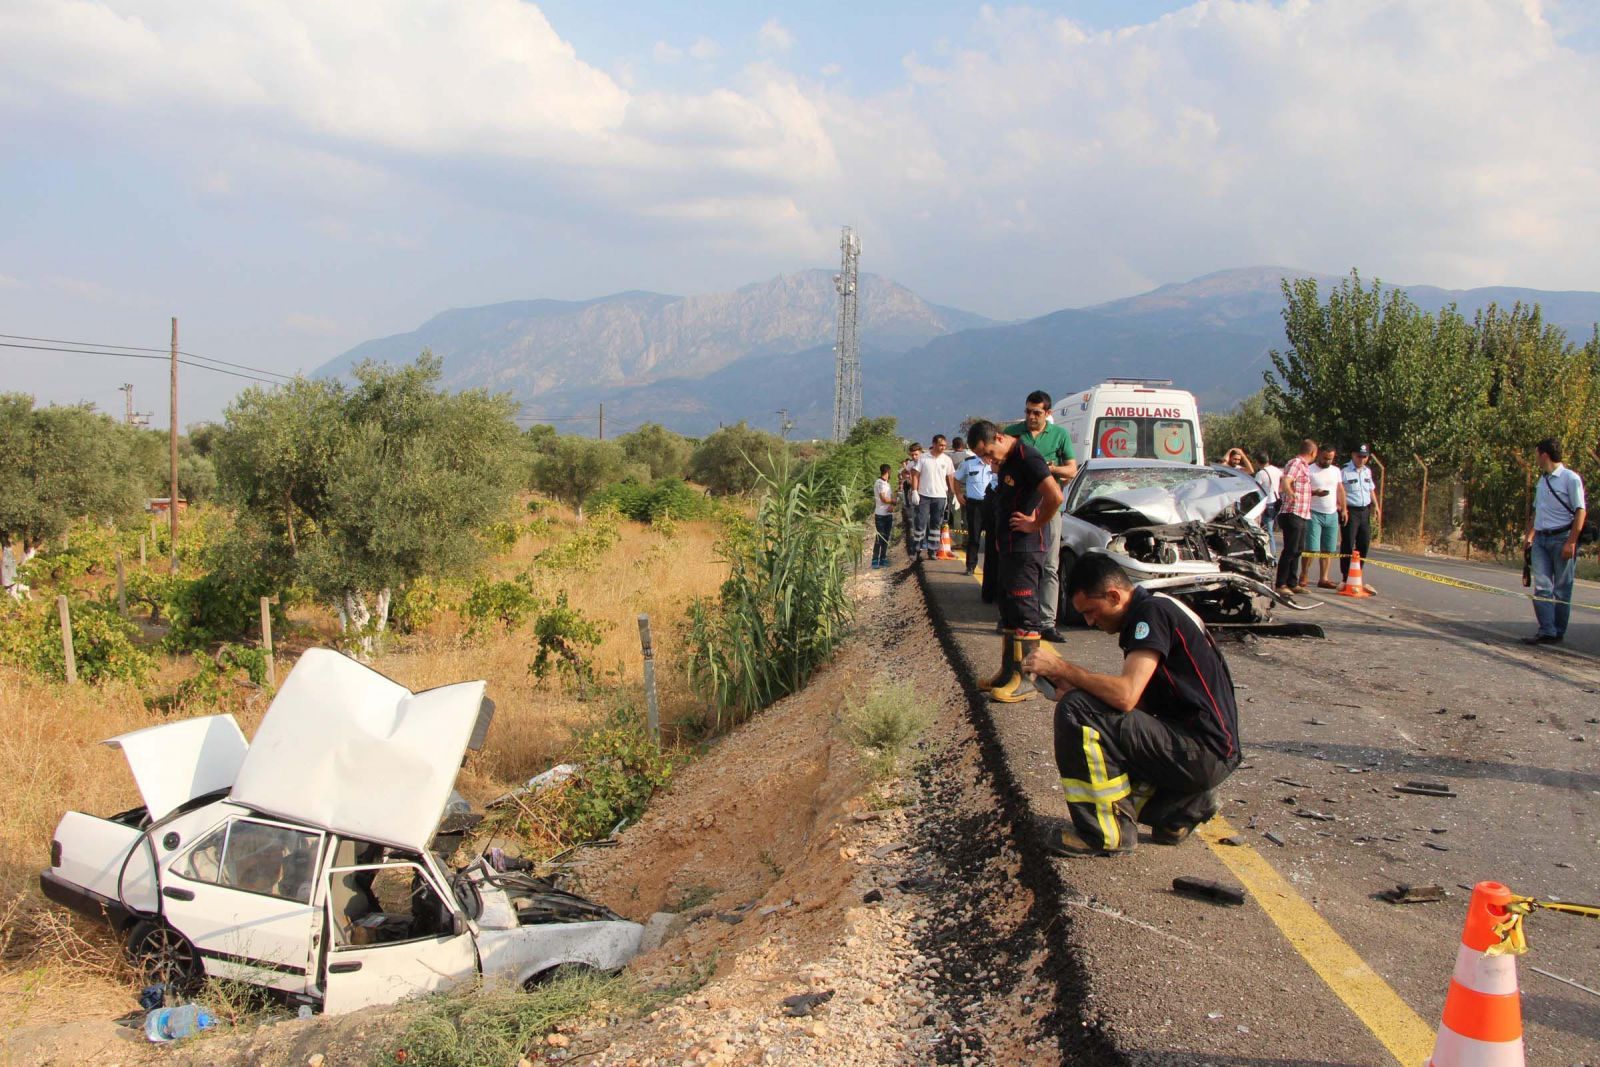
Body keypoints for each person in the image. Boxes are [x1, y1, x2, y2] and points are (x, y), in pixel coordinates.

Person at [1022, 553, 1241, 856]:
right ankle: (1182, 807)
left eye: (1091, 612)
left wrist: (1063, 669)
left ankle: (1104, 833)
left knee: (1076, 711)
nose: (1090, 622)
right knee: (1087, 707)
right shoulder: (1156, 607)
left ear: (1114, 596)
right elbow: (1139, 702)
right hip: (1206, 747)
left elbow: (1126, 695)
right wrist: (1079, 688)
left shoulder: (1150, 614)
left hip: (1202, 749)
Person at [968, 419, 1062, 702]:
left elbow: (1055, 496)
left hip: (1026, 547)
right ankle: (1009, 672)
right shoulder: (1007, 459)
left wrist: (1036, 523)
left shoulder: (1027, 457)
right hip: (1008, 546)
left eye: (988, 453)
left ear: (999, 437)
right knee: (1009, 610)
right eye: (982, 457)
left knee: (1025, 612)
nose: (988, 460)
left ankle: (1027, 680)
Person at [1005, 392, 1077, 642]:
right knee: (1017, 561)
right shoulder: (1014, 433)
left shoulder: (1060, 435)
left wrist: (1050, 468)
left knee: (1049, 564)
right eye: (1028, 411)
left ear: (1048, 413)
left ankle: (1047, 622)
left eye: (1036, 412)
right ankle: (1016, 616)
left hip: (1048, 506)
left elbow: (1072, 469)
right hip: (1020, 505)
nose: (1031, 417)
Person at [1522, 438, 1587, 646]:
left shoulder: (1570, 478)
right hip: (1541, 540)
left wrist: (1571, 542)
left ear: (1544, 455)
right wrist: (1530, 536)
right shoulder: (1542, 480)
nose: (1535, 459)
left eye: (1536, 454)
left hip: (1562, 539)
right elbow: (1538, 511)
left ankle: (1558, 631)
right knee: (1542, 587)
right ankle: (1547, 631)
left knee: (1561, 589)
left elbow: (1580, 511)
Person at [1299, 444, 1345, 591]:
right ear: (1318, 455)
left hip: (1331, 513)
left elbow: (1340, 489)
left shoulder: (1335, 471)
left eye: (1330, 459)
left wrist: (1344, 508)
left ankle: (1323, 578)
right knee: (1312, 548)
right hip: (1314, 513)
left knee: (1328, 549)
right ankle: (1304, 574)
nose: (1328, 461)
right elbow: (1302, 489)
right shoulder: (1309, 470)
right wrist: (1315, 492)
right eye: (1325, 458)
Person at [1275, 439, 1316, 595]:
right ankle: (1281, 583)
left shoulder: (1304, 467)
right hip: (1292, 512)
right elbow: (1286, 480)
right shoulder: (1296, 463)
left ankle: (1292, 582)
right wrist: (1290, 493)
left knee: (1298, 549)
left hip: (1303, 513)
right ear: (1313, 453)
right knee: (1290, 549)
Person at [1339, 444, 1380, 593]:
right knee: (1348, 543)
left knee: (1364, 542)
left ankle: (1357, 573)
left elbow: (1371, 490)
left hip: (1364, 511)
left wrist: (1376, 506)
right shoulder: (1344, 471)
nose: (1362, 460)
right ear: (1353, 455)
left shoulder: (1367, 471)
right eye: (1359, 456)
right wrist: (1342, 508)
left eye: (1365, 457)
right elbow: (1339, 491)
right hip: (1350, 510)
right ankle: (1345, 577)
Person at [910, 435, 958, 561]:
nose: (943, 448)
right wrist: (914, 491)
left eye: (944, 445)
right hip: (924, 496)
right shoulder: (923, 458)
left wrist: (954, 493)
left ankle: (932, 550)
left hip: (940, 496)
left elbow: (950, 477)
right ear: (934, 444)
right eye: (941, 445)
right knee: (920, 523)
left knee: (936, 525)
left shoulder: (947, 460)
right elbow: (915, 475)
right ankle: (916, 550)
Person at [955, 443, 995, 575]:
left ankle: (990, 569)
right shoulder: (969, 463)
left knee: (992, 538)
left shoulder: (997, 464)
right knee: (974, 537)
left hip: (992, 505)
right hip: (974, 505)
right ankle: (970, 566)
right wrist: (958, 494)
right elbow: (956, 478)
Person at [1254, 451, 1283, 555]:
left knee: (1268, 532)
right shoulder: (1276, 470)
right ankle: (1271, 554)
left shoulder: (1260, 473)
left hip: (1266, 504)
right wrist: (1279, 490)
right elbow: (1283, 480)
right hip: (1276, 502)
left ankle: (1272, 555)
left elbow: (1255, 489)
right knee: (1270, 530)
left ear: (1257, 462)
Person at [946, 436, 972, 536]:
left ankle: (958, 539)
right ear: (963, 445)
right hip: (968, 488)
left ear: (953, 446)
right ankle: (967, 537)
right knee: (967, 515)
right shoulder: (969, 457)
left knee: (956, 514)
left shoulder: (948, 458)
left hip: (954, 488)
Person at [871, 464, 895, 568]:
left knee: (886, 537)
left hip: (888, 514)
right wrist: (894, 501)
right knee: (880, 537)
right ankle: (875, 559)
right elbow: (884, 499)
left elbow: (890, 497)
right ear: (888, 472)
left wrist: (892, 505)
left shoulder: (887, 484)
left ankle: (883, 558)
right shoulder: (880, 483)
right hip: (880, 515)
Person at [900, 444, 922, 552]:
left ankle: (925, 542)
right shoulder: (911, 464)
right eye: (912, 455)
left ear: (920, 453)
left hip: (926, 493)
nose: (914, 457)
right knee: (916, 516)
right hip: (915, 493)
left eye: (916, 454)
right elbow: (903, 472)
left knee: (926, 518)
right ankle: (917, 542)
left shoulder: (926, 462)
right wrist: (909, 478)